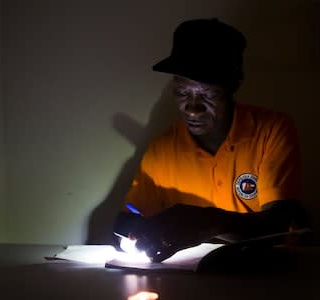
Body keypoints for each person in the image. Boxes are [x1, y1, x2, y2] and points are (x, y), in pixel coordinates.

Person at [113, 18, 309, 262]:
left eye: (208, 94)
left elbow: (280, 225)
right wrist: (131, 231)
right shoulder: (162, 149)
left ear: (233, 85)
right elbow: (129, 215)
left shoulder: (271, 131)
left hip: (266, 273)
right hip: (185, 280)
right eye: (183, 92)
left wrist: (207, 222)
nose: (193, 109)